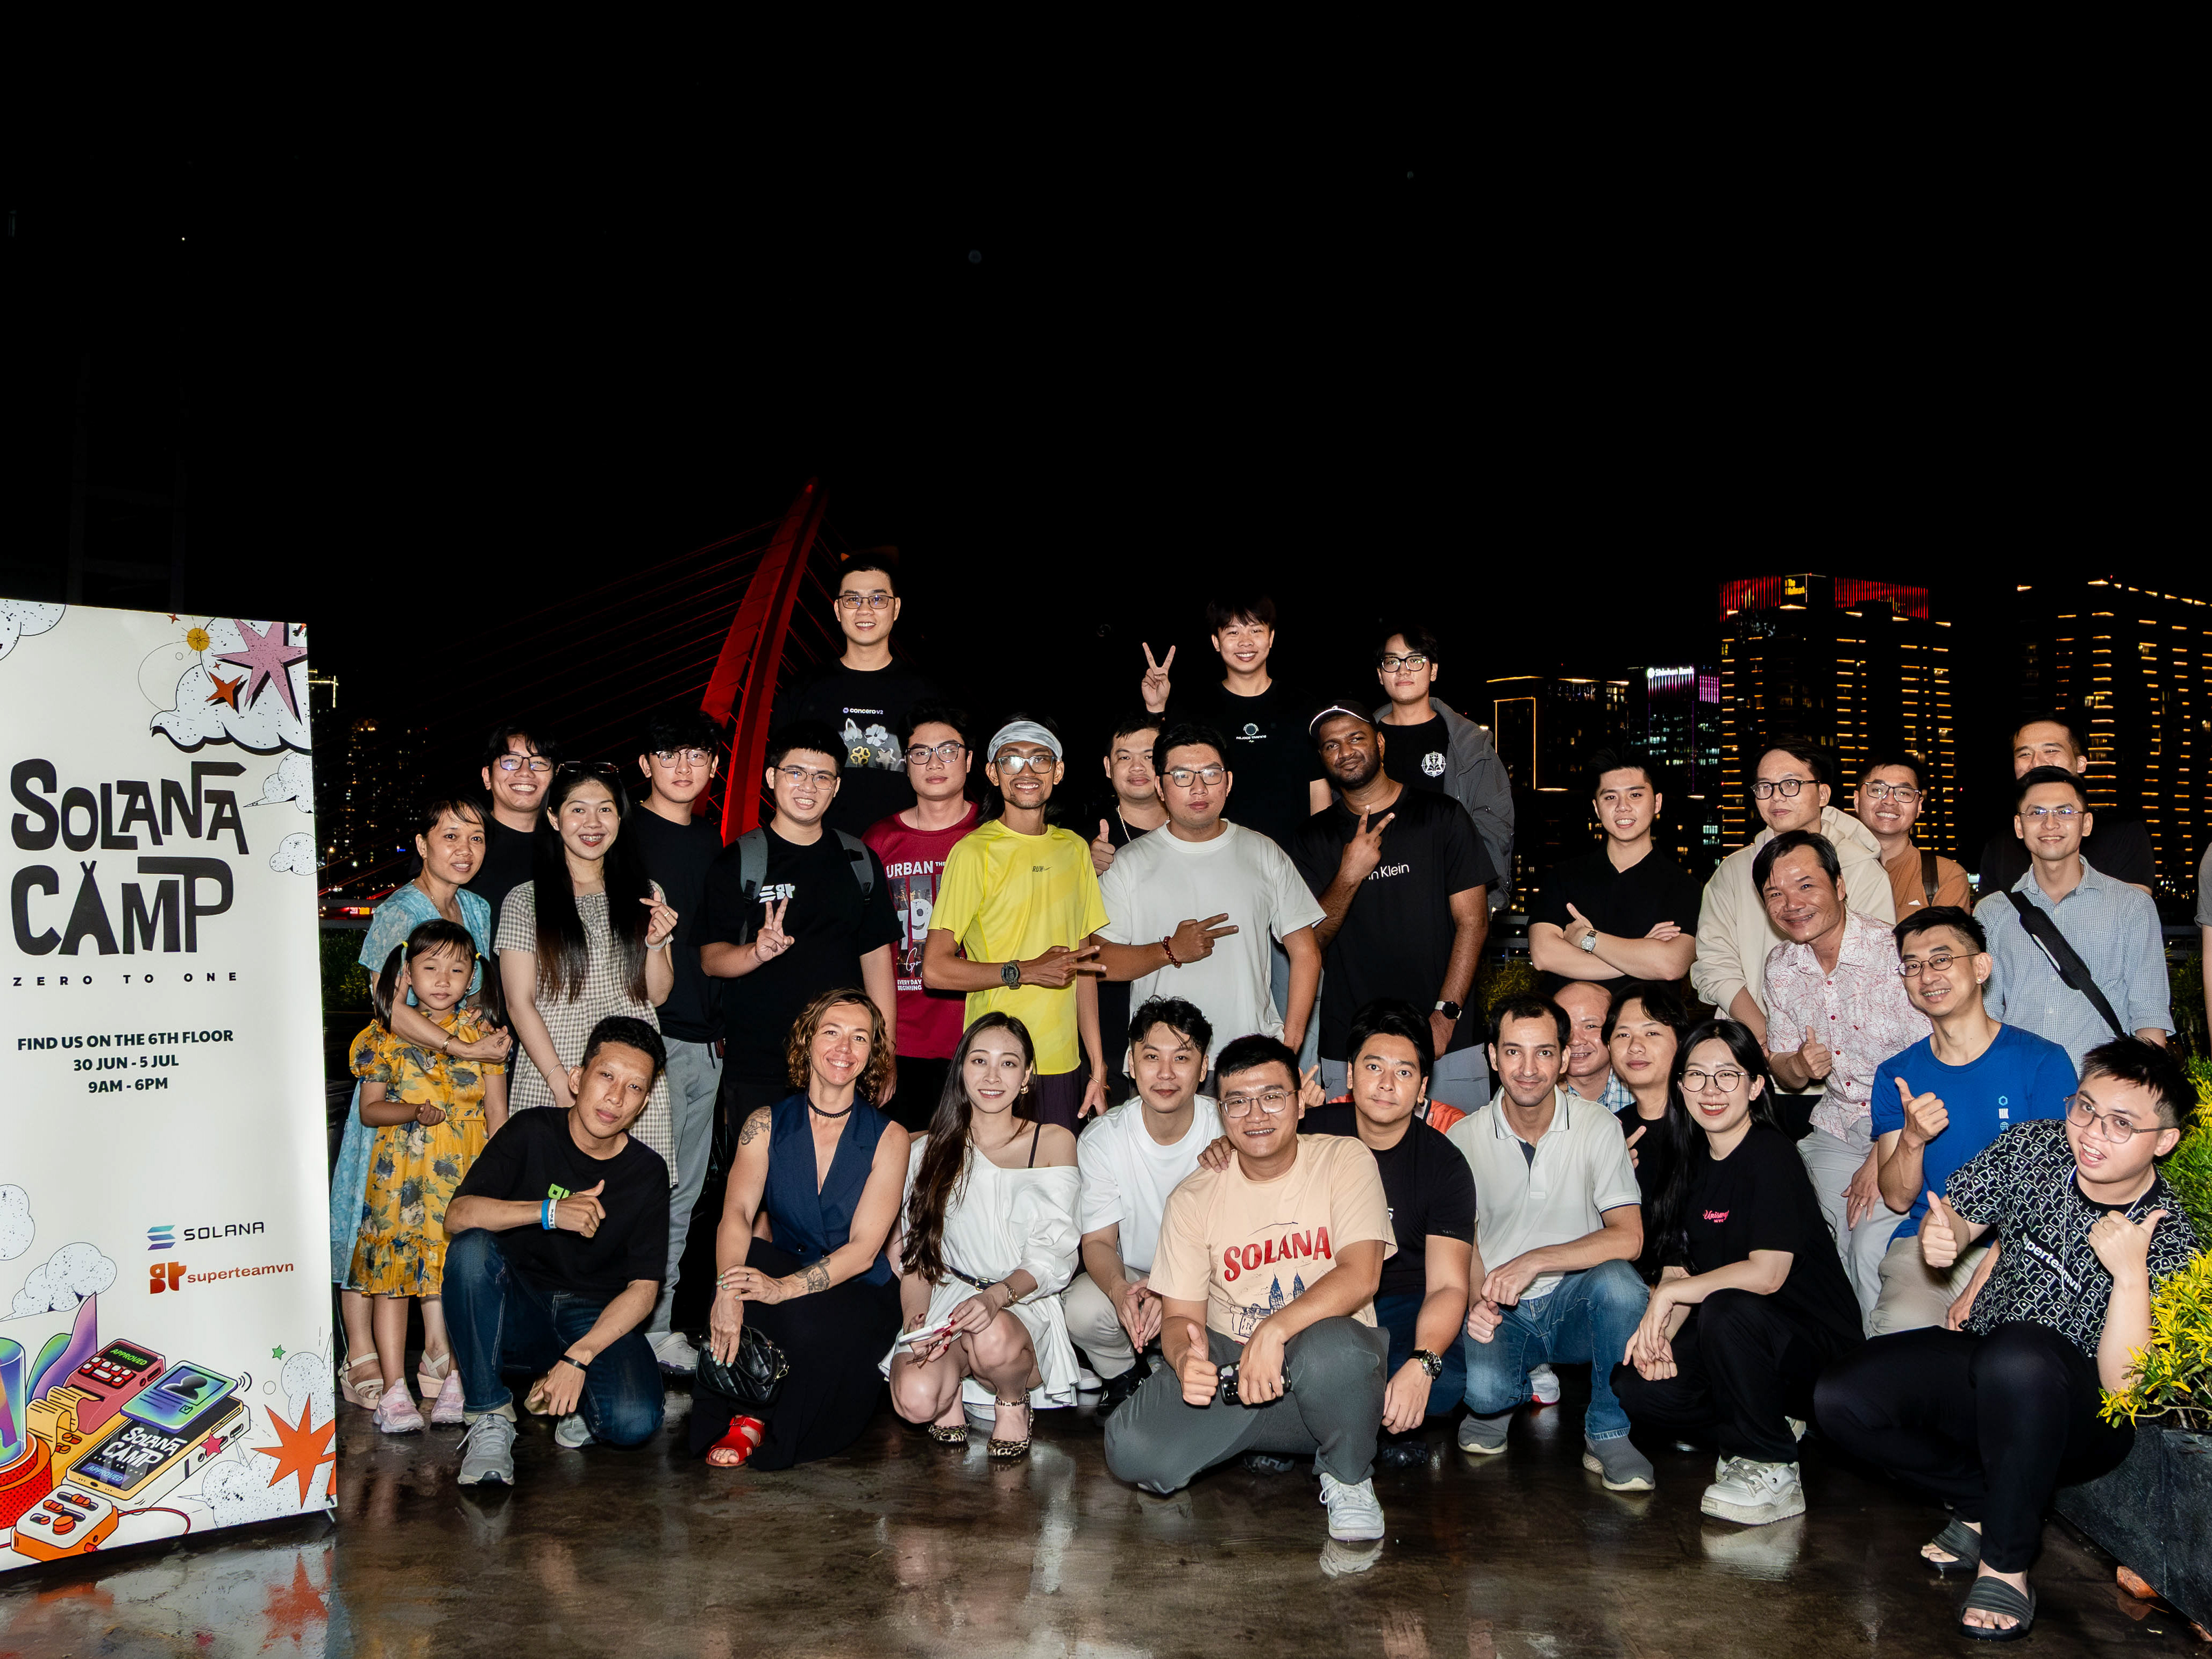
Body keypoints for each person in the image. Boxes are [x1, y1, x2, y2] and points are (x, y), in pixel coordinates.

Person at [1816, 1038, 2203, 1639]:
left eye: (2121, 1123)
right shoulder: (2034, 1147)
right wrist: (1944, 1237)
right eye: (2085, 1108)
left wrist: (2131, 1277)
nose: (2092, 1133)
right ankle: (1985, 1499)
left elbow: (2124, 1390)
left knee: (2021, 1352)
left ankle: (2006, 1562)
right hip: (1990, 1365)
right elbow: (1959, 1217)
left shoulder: (2171, 1238)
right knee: (1841, 1398)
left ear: (2165, 1140)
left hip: (2083, 1417)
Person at [1102, 1035, 1395, 1545]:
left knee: (1336, 1349)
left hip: (1322, 1366)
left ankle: (1347, 1472)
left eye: (1272, 1096)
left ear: (1299, 1102)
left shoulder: (1344, 1159)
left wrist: (1273, 1331)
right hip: (1233, 1371)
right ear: (1221, 1113)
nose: (1256, 1114)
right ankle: (1247, 1433)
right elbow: (1180, 1318)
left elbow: (1361, 1274)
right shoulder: (1192, 1197)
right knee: (1128, 1447)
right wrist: (1183, 1359)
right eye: (1237, 1101)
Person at [1614, 1022, 1865, 1526]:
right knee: (1638, 1387)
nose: (1711, 1090)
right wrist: (1657, 1335)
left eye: (1727, 1075)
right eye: (1696, 1075)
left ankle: (1771, 1464)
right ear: (1680, 1086)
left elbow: (1767, 1274)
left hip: (1814, 1349)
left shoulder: (1770, 1153)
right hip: (1742, 1342)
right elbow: (1679, 1266)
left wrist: (1667, 1297)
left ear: (1754, 1087)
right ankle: (1765, 1422)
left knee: (1727, 1306)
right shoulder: (1688, 1158)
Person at [331, 798, 513, 1414]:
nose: (464, 849)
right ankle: (360, 1351)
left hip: (453, 1101)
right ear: (423, 842)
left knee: (436, 1228)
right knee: (376, 1221)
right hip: (400, 1089)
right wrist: (460, 1047)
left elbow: (475, 993)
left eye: (476, 837)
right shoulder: (398, 911)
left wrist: (482, 1044)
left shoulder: (478, 908)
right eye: (450, 835)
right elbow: (389, 1006)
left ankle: (437, 1352)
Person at [446, 1016, 673, 1487]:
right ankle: (489, 1416)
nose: (616, 1097)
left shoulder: (648, 1172)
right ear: (576, 1078)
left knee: (633, 1421)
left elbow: (644, 1289)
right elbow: (458, 1215)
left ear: (644, 1102)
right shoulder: (531, 1130)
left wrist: (580, 1357)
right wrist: (550, 1211)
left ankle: (571, 1391)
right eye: (606, 1075)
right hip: (519, 1308)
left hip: (592, 1315)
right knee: (470, 1251)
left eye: (634, 1087)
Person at [697, 990, 912, 1469]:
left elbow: (864, 1249)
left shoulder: (889, 1137)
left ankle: (768, 1420)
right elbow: (737, 1213)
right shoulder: (764, 1124)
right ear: (807, 1040)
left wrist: (781, 1289)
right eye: (831, 1032)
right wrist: (729, 1289)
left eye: (860, 1037)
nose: (844, 1047)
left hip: (859, 1285)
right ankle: (744, 1410)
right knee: (741, 1267)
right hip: (789, 1261)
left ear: (872, 1053)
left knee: (804, 1318)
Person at [1448, 996, 1652, 1493]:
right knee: (1484, 1393)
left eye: (1543, 1052)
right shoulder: (1462, 1137)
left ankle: (1607, 1429)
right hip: (1504, 1306)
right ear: (1492, 1056)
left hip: (1573, 1303)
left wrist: (1536, 1260)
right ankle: (1507, 1393)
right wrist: (1477, 1302)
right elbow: (1465, 1242)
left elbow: (1629, 1236)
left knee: (1621, 1285)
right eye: (1512, 1051)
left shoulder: (1598, 1125)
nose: (1527, 1069)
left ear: (1563, 1058)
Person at [1867, 907, 2076, 1335]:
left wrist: (1987, 1275)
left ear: (1980, 967)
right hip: (1927, 1242)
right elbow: (1897, 1199)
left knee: (2013, 1350)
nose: (1927, 976)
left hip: (2025, 1246)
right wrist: (1911, 1139)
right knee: (1899, 1329)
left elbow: (2054, 1193)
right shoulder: (1896, 1074)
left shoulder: (2042, 1061)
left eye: (1941, 959)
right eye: (1912, 965)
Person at [885, 1013, 1080, 1458]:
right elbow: (917, 1258)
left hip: (1020, 1300)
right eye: (979, 1061)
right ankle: (950, 1387)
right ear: (961, 1069)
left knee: (991, 1335)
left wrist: (995, 1297)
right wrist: (917, 1322)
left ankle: (1011, 1400)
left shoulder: (1052, 1141)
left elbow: (1055, 1255)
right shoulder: (926, 1150)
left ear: (1027, 1075)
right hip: (949, 1296)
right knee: (914, 1398)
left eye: (1008, 1063)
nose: (992, 1076)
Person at [1138, 594, 1328, 1049]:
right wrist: (1157, 710)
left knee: (1299, 1000)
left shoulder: (1302, 707)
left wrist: (1317, 877)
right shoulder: (1194, 708)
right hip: (1213, 885)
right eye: (1233, 631)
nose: (1245, 641)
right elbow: (1168, 779)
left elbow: (1319, 798)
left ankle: (1293, 1081)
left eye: (1255, 630)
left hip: (1287, 885)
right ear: (1215, 641)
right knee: (1212, 1006)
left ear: (1272, 638)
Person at [1756, 830, 1930, 1321]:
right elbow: (1784, 1067)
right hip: (1835, 1124)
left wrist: (1880, 1156)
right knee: (1805, 1232)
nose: (1791, 904)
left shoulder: (1894, 953)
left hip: (1904, 1123)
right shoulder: (1781, 966)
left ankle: (1880, 1359)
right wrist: (1797, 1065)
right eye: (1775, 893)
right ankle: (1836, 1345)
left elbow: (1931, 1061)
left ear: (1839, 885)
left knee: (1868, 1242)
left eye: (1805, 885)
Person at [700, 721, 902, 1139]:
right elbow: (711, 959)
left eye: (822, 776)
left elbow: (876, 960)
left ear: (836, 787)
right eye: (795, 772)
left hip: (841, 1061)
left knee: (839, 1172)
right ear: (771, 777)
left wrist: (885, 1053)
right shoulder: (738, 861)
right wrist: (754, 952)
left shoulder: (859, 861)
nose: (808, 786)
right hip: (759, 1062)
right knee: (757, 1174)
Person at [349, 918, 510, 1432]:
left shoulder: (484, 1036)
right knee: (392, 1280)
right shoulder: (383, 1035)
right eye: (431, 967)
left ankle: (456, 1379)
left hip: (463, 1172)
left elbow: (497, 1113)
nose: (443, 979)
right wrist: (412, 1111)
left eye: (457, 970)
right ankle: (394, 1390)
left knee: (453, 1275)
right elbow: (370, 1111)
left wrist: (500, 1176)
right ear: (408, 973)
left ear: (473, 977)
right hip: (400, 1173)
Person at [1291, 702, 1496, 1101]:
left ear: (1381, 744)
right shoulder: (1311, 839)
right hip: (1350, 1049)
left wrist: (1445, 1016)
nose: (1345, 751)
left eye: (1356, 738)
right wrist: (1349, 874)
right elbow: (1309, 941)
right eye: (1331, 745)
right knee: (1349, 1147)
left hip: (1445, 1040)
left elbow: (1473, 923)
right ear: (1321, 758)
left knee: (1455, 1144)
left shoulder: (1441, 816)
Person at [1300, 1000, 1476, 1467]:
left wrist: (1423, 1364)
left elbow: (1448, 1285)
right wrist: (1222, 1146)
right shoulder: (1310, 1133)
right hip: (1316, 1289)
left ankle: (1322, 1420)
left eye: (1403, 1072)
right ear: (1350, 1075)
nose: (1385, 1083)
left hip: (1399, 1300)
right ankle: (1307, 1430)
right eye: (1373, 1066)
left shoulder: (1444, 1164)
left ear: (1422, 1088)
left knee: (1445, 1385)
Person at [1095, 721, 1325, 1063]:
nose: (1199, 788)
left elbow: (1306, 952)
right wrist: (1169, 951)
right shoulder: (1128, 863)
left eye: (1211, 773)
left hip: (1250, 1058)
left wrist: (1290, 1043)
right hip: (1162, 1063)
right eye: (1182, 776)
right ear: (1160, 786)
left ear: (1228, 782)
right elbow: (1100, 961)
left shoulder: (1264, 852)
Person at [923, 717, 1111, 1128]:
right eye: (1011, 760)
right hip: (994, 1061)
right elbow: (934, 969)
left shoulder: (1074, 849)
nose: (1026, 771)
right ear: (993, 773)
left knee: (1056, 1168)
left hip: (1062, 1061)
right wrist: (1024, 971)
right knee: (989, 1170)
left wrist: (1096, 1064)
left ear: (1057, 771)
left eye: (1039, 759)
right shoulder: (973, 852)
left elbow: (1084, 967)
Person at [496, 763, 681, 1176]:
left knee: (628, 1200)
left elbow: (658, 994)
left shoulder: (647, 894)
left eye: (605, 809)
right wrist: (561, 1083)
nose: (592, 823)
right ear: (553, 817)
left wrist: (655, 943)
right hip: (554, 1071)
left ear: (620, 817)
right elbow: (519, 1002)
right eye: (578, 809)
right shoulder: (525, 901)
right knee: (548, 1199)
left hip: (629, 1077)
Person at [625, 709, 727, 1373]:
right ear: (645, 765)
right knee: (629, 1190)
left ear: (714, 766)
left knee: (682, 1195)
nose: (684, 767)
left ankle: (657, 1328)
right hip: (641, 1039)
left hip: (704, 1043)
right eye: (669, 754)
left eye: (696, 755)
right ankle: (614, 1329)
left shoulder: (715, 842)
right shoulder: (620, 834)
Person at [1067, 997, 1224, 1416]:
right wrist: (1120, 1290)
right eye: (1152, 1056)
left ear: (1203, 1068)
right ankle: (1126, 1374)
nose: (1166, 1073)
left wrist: (1172, 1287)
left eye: (1182, 1058)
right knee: (1082, 1307)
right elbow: (1098, 1242)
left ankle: (1191, 1373)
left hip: (1210, 1277)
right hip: (1137, 1277)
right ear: (1130, 1064)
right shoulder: (1103, 1138)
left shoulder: (1227, 1128)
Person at [1691, 739, 1895, 1046]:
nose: (1776, 797)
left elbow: (1877, 969)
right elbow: (1714, 963)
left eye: (1791, 784)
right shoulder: (1733, 871)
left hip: (1844, 1048)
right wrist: (1766, 1036)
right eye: (1765, 787)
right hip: (1748, 1046)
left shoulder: (1860, 868)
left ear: (1823, 794)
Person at [1976, 766, 2173, 1073]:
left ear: (2086, 823)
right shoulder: (1992, 912)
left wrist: (2139, 1088)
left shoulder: (2132, 906)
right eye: (2036, 812)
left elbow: (2150, 1013)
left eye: (2065, 812)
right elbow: (1986, 1013)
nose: (2050, 824)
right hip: (2021, 1079)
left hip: (2103, 1083)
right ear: (2019, 826)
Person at [863, 702, 982, 1130]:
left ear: (969, 760)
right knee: (901, 1160)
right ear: (905, 762)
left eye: (948, 750)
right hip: (904, 1040)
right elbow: (870, 949)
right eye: (920, 752)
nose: (934, 763)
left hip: (979, 1036)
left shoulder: (993, 834)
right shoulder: (879, 841)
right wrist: (883, 1047)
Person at [769, 551, 940, 837]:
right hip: (821, 849)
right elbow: (780, 778)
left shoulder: (928, 693)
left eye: (878, 599)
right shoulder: (800, 691)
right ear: (838, 610)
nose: (865, 610)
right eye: (853, 600)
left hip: (904, 850)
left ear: (896, 608)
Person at [1370, 624, 1514, 907]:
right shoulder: (1360, 745)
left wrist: (1479, 903)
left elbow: (1495, 824)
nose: (1403, 670)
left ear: (1433, 670)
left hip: (1447, 896)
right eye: (1392, 661)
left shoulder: (1470, 746)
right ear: (1380, 674)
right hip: (1377, 894)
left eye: (1415, 660)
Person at [1530, 751, 1702, 985]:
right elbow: (1544, 956)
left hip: (1647, 1008)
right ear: (1597, 808)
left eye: (1635, 795)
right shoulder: (1563, 876)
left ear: (1657, 803)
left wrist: (1587, 938)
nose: (1623, 807)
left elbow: (1671, 965)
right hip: (1574, 1007)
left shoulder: (1683, 886)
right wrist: (1642, 954)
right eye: (1610, 797)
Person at [1977, 716, 2156, 899]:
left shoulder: (2123, 835)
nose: (2036, 763)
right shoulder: (2000, 846)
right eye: (2024, 754)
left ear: (2081, 763)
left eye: (2051, 750)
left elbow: (2134, 908)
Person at [1086, 713, 1166, 1103]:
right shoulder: (1082, 839)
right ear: (1107, 766)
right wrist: (1083, 871)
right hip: (1112, 1014)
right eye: (1124, 757)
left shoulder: (1198, 828)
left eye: (1149, 756)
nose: (1137, 767)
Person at [1604, 981, 1687, 1281]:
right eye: (1622, 1034)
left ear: (1682, 1043)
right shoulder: (1608, 1130)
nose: (1635, 1046)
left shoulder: (1710, 1122)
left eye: (1651, 1033)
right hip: (1629, 1285)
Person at [1852, 753, 1971, 920]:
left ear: (1919, 807)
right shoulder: (1831, 868)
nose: (1890, 801)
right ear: (1857, 800)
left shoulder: (1946, 876)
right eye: (1878, 790)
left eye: (1904, 793)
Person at [468, 723, 561, 933]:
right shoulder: (462, 843)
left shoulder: (572, 844)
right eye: (511, 761)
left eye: (538, 763)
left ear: (555, 776)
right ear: (487, 776)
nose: (525, 772)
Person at [1556, 979, 1634, 1114]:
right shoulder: (1538, 1097)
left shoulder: (1644, 1093)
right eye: (1566, 1027)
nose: (1576, 1041)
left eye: (1591, 1026)